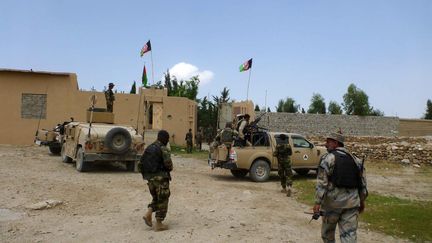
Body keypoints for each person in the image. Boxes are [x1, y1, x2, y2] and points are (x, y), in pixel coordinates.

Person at [313, 132, 368, 243]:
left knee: (328, 234)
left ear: (335, 143)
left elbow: (321, 183)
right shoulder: (356, 159)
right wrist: (361, 201)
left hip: (332, 204)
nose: (325, 144)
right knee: (349, 235)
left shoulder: (328, 158)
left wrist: (317, 203)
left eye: (328, 142)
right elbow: (362, 183)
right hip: (352, 204)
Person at [141, 130, 173, 231]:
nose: (167, 141)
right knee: (163, 199)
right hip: (161, 179)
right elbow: (169, 165)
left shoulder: (149, 147)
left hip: (150, 180)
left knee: (156, 198)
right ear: (164, 138)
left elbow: (140, 163)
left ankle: (148, 213)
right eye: (167, 139)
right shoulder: (163, 149)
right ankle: (159, 223)